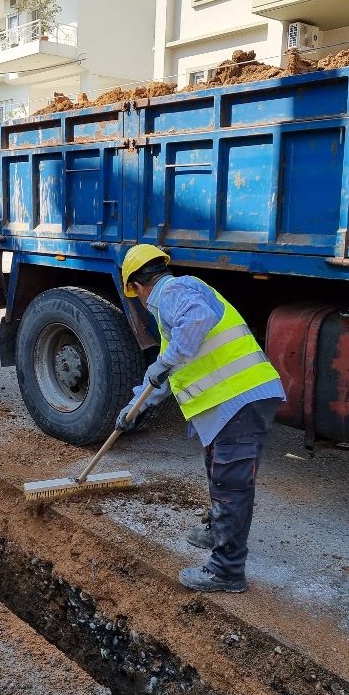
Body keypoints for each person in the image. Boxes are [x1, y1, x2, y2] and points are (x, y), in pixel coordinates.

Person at [117, 244, 285, 593]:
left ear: (138, 285)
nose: (139, 300)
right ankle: (216, 532)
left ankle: (227, 571)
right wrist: (134, 406)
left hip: (240, 399)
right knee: (218, 469)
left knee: (231, 484)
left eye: (135, 293)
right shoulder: (175, 308)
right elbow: (165, 375)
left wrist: (164, 363)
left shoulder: (172, 292)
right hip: (233, 403)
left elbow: (196, 321)